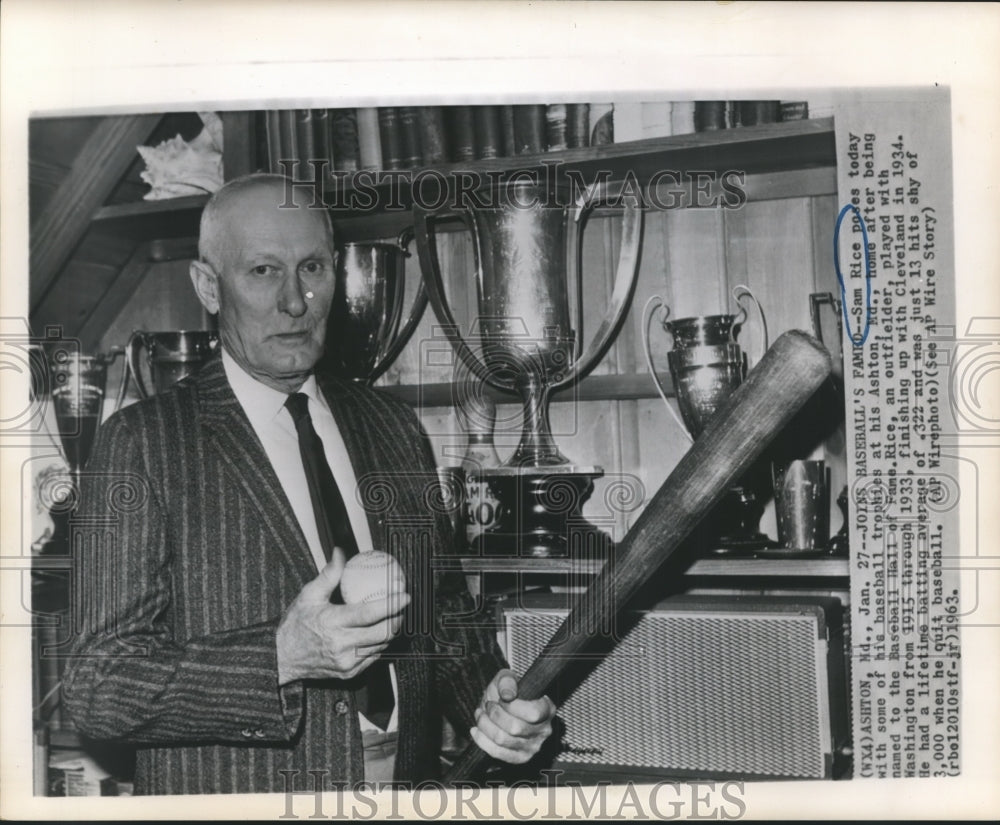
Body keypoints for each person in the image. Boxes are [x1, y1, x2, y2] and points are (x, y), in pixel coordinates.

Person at [62, 174, 555, 795]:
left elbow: (444, 617)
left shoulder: (393, 428)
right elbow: (99, 686)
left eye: (313, 267)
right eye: (264, 271)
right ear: (208, 287)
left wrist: (496, 699)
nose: (296, 301)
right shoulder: (143, 443)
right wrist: (279, 658)